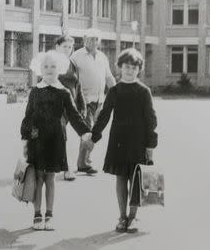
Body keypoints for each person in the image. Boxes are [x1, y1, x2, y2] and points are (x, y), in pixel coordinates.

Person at [20, 50, 92, 231]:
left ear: (59, 68)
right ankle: (37, 215)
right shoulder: (35, 91)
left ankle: (49, 215)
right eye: (46, 66)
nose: (50, 69)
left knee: (50, 178)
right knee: (37, 178)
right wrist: (25, 139)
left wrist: (84, 132)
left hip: (55, 140)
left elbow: (74, 116)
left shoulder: (64, 92)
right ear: (40, 69)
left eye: (53, 66)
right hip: (37, 140)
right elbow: (28, 116)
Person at [90, 48, 158, 233]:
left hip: (138, 142)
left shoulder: (144, 91)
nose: (130, 71)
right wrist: (94, 136)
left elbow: (151, 119)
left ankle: (133, 217)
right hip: (118, 141)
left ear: (139, 69)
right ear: (119, 68)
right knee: (121, 178)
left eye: (134, 67)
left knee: (136, 180)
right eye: (126, 67)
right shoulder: (114, 90)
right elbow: (104, 116)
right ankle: (122, 216)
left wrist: (151, 145)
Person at [71, 28, 116, 174]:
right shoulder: (76, 56)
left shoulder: (103, 57)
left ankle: (84, 160)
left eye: (96, 39)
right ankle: (83, 163)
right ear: (84, 39)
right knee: (88, 130)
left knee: (95, 131)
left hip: (99, 101)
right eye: (91, 39)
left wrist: (117, 93)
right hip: (85, 100)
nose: (94, 42)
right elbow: (72, 79)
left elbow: (109, 77)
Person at [55, 35, 86, 181]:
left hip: (72, 107)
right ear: (57, 47)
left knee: (69, 138)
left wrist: (82, 105)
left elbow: (78, 86)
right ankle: (67, 169)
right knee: (61, 136)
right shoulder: (51, 63)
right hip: (57, 107)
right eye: (64, 46)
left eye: (70, 47)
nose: (67, 49)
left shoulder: (72, 65)